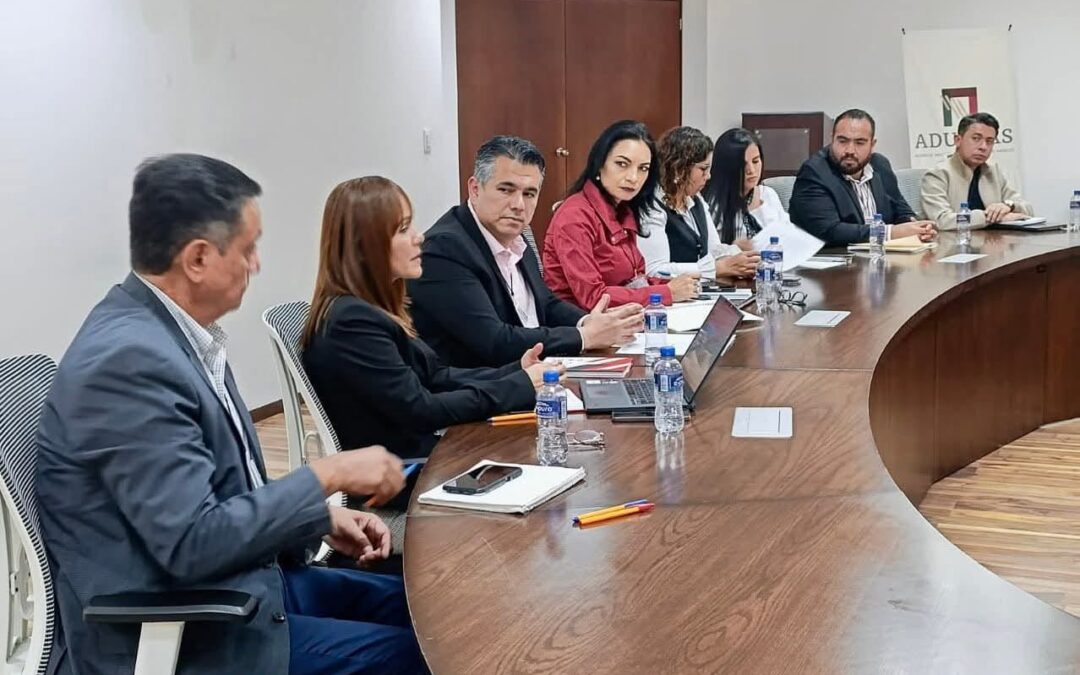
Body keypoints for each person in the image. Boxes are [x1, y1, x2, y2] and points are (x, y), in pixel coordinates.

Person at [35, 154, 427, 675]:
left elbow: (215, 493)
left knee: (431, 611)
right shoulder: (129, 362)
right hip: (193, 631)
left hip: (244, 587)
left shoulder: (169, 334)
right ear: (198, 258)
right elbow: (192, 543)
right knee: (425, 655)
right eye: (248, 249)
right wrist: (327, 475)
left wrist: (317, 518)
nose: (256, 264)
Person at [303, 176, 553, 460]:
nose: (418, 237)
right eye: (403, 229)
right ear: (365, 245)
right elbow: (422, 410)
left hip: (425, 452)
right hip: (406, 469)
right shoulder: (352, 322)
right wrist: (519, 386)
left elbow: (436, 376)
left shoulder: (369, 309)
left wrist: (515, 371)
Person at [408, 135, 642, 368]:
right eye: (506, 190)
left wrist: (588, 322)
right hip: (484, 383)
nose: (518, 205)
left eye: (529, 193)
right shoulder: (444, 250)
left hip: (534, 372)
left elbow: (546, 304)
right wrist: (584, 337)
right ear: (475, 189)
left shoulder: (517, 236)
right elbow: (495, 342)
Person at [542, 119, 699, 310]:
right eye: (622, 164)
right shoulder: (575, 216)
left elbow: (633, 281)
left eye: (643, 168)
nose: (633, 178)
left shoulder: (623, 209)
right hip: (580, 322)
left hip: (622, 318)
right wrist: (666, 293)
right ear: (599, 164)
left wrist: (673, 286)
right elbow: (594, 297)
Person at [789, 109, 937, 245]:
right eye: (842, 141)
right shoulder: (814, 172)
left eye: (860, 143)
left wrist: (918, 227)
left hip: (877, 256)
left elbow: (901, 210)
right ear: (832, 139)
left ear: (872, 145)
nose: (850, 150)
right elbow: (830, 231)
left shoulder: (880, 165)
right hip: (831, 260)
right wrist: (889, 233)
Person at [638, 126, 760, 279]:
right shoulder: (652, 207)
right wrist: (715, 269)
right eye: (703, 169)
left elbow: (714, 249)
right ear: (679, 169)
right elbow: (655, 270)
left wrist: (742, 258)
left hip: (698, 289)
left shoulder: (695, 199)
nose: (708, 176)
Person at [920, 112, 1034, 230]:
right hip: (956, 241)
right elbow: (942, 221)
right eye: (976, 138)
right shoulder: (938, 174)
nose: (983, 147)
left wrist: (1008, 206)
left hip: (993, 239)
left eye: (989, 141)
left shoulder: (993, 171)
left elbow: (1028, 209)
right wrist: (990, 217)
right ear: (958, 140)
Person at [703, 127, 798, 253]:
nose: (752, 171)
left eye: (756, 161)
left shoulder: (768, 195)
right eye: (743, 165)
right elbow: (706, 254)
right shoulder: (710, 204)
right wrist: (732, 249)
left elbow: (789, 237)